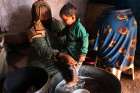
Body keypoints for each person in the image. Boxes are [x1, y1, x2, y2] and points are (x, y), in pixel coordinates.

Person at [59, 2, 89, 67]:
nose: (63, 22)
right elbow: (65, 30)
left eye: (65, 20)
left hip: (77, 52)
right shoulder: (69, 25)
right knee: (63, 59)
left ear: (73, 17)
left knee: (75, 66)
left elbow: (85, 39)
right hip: (69, 48)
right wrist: (60, 34)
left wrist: (83, 53)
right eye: (62, 20)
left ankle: (75, 73)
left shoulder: (79, 28)